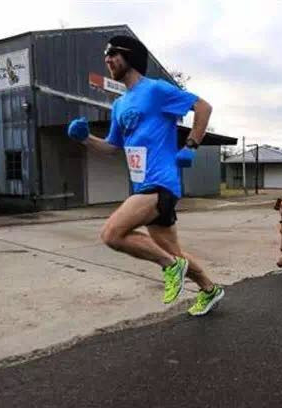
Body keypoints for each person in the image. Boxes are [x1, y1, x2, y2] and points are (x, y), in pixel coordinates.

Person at [67, 35, 224, 316]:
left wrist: (191, 145)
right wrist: (85, 138)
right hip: (142, 185)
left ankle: (170, 268)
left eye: (113, 54)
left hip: (161, 182)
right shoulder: (119, 105)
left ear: (130, 56)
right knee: (175, 253)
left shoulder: (156, 90)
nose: (108, 60)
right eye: (106, 56)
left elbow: (203, 107)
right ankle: (210, 290)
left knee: (112, 234)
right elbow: (112, 147)